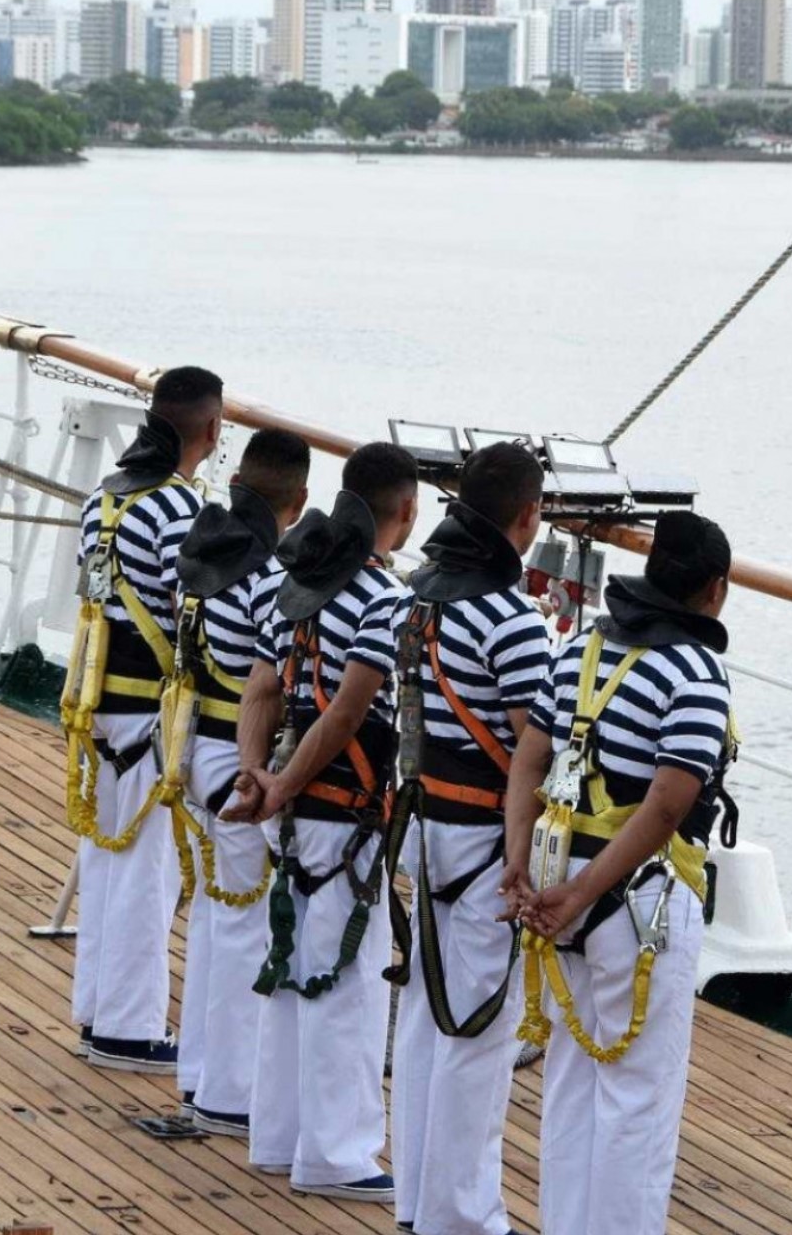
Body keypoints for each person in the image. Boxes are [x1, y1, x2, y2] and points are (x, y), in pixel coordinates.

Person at [500, 511, 736, 1235]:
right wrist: (585, 891)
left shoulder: (581, 649)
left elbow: (529, 761)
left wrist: (519, 864)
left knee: (572, 1079)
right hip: (637, 897)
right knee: (638, 1095)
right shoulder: (698, 671)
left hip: (553, 876)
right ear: (716, 590)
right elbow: (668, 805)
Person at [225, 440, 421, 1204]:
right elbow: (348, 712)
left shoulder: (299, 582)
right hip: (342, 813)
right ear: (405, 512)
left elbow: (264, 688)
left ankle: (277, 1136)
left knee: (287, 971)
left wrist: (257, 774)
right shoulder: (382, 598)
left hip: (291, 807)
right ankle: (339, 1153)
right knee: (349, 984)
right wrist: (281, 786)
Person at [387, 443, 550, 1235]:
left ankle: (417, 1201)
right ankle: (461, 1216)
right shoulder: (513, 621)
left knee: (425, 1016)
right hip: (487, 842)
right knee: (479, 1028)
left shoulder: (413, 600)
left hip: (425, 833)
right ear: (526, 517)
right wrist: (525, 864)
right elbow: (532, 752)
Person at [62, 367, 221, 1072]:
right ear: (212, 433)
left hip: (97, 706)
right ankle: (128, 1027)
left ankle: (98, 1010)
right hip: (153, 717)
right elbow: (196, 615)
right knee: (146, 873)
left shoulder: (104, 499)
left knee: (106, 860)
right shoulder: (178, 510)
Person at [173, 427, 311, 1136]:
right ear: (301, 500)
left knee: (215, 914)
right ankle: (228, 1091)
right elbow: (276, 679)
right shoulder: (270, 576)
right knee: (244, 922)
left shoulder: (200, 546)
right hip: (240, 758)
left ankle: (199, 1070)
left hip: (190, 745)